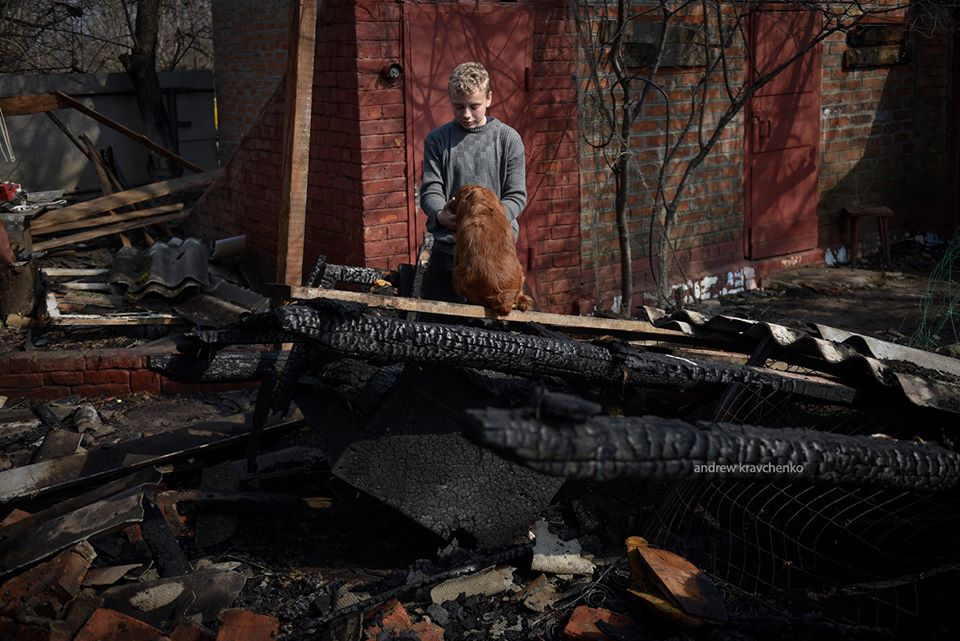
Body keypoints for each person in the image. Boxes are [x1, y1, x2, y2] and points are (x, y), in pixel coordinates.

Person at [419, 61, 527, 303]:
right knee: (440, 329)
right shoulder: (437, 140)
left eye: (474, 106)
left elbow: (516, 195)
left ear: (489, 98)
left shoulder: (508, 140)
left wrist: (488, 223)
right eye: (458, 107)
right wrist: (440, 215)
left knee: (497, 330)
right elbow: (431, 189)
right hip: (448, 249)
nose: (466, 115)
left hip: (495, 254)